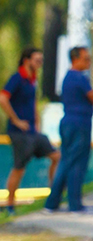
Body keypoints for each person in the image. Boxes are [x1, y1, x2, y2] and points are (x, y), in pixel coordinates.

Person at [0, 47, 60, 215]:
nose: (40, 63)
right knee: (19, 167)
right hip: (19, 133)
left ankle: (54, 196)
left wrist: (37, 123)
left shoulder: (33, 79)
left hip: (33, 132)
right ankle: (10, 205)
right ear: (27, 60)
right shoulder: (17, 78)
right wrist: (16, 120)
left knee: (56, 156)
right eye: (37, 60)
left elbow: (33, 103)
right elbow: (2, 98)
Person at [45, 47, 93, 213]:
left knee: (66, 161)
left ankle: (52, 203)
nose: (89, 62)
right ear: (75, 59)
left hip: (69, 123)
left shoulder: (68, 77)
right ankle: (74, 204)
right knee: (76, 164)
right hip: (79, 124)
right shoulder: (79, 77)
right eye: (86, 59)